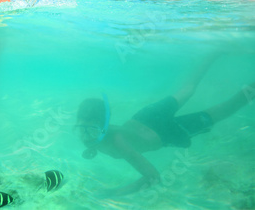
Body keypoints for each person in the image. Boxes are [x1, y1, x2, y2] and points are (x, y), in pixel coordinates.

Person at [75, 54, 255, 197]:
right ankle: (215, 53)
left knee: (223, 110)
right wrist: (91, 147)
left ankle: (217, 54)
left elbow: (153, 177)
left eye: (92, 129)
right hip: (145, 117)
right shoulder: (88, 133)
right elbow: (91, 135)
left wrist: (115, 192)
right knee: (186, 91)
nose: (85, 135)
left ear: (104, 125)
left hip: (167, 133)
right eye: (80, 128)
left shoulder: (119, 143)